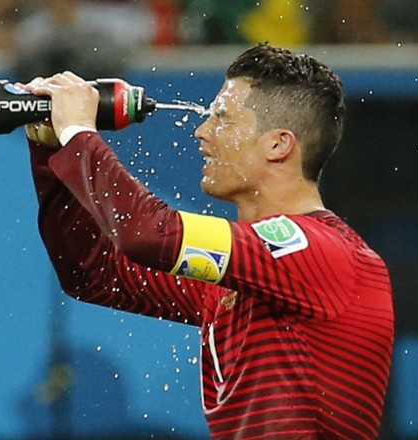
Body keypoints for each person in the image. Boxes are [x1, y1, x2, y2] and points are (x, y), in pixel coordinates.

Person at [20, 44, 395, 439]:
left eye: (222, 119)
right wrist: (49, 148)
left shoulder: (319, 251)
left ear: (278, 145)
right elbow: (94, 271)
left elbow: (148, 232)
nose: (202, 131)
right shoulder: (247, 277)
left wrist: (79, 133)